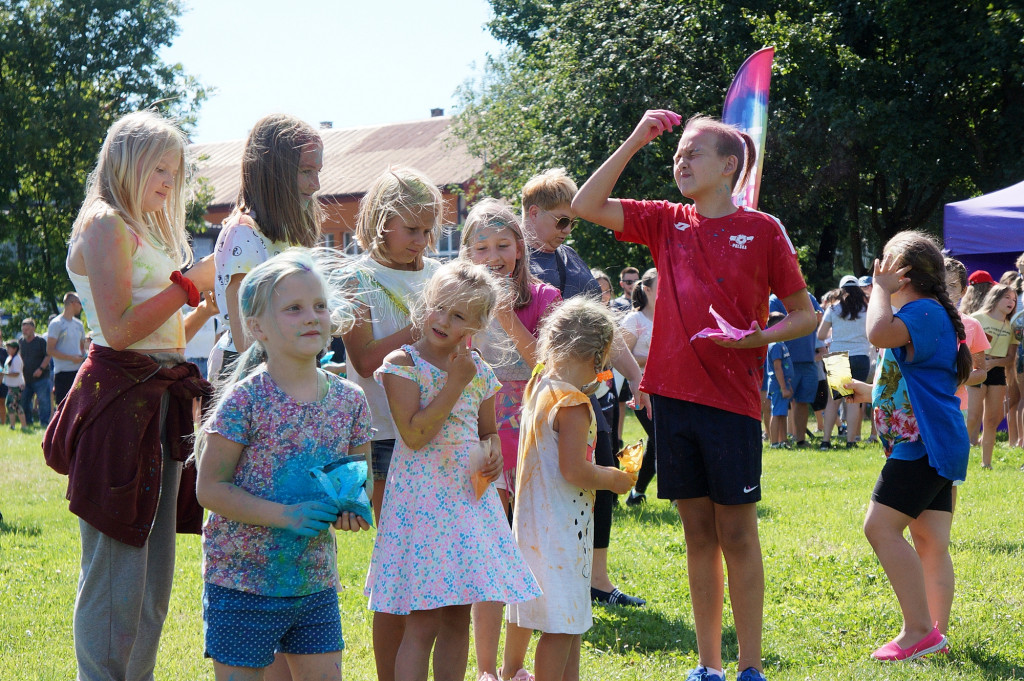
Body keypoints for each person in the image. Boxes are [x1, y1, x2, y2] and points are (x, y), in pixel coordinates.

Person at [571, 109, 816, 681]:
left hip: (731, 405)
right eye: (678, 153)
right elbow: (584, 205)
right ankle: (708, 665)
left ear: (729, 166)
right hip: (673, 401)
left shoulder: (764, 230)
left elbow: (806, 315)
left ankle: (750, 666)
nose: (680, 160)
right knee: (697, 534)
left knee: (737, 532)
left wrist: (760, 335)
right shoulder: (665, 221)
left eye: (693, 152)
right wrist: (636, 137)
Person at [42, 110, 215, 681]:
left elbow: (163, 338)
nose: (169, 181)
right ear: (125, 162)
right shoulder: (105, 224)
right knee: (118, 577)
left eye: (175, 170)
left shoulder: (141, 226)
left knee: (151, 580)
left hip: (157, 401)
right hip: (120, 403)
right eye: (158, 167)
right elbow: (117, 330)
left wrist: (200, 308)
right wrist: (193, 283)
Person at [194, 249, 371, 681]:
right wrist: (286, 515)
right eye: (293, 309)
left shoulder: (350, 401)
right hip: (241, 580)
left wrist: (352, 510)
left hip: (313, 581)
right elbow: (210, 489)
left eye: (319, 306)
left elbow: (355, 487)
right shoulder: (245, 400)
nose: (311, 317)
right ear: (257, 328)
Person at [365, 260, 542, 681]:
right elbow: (413, 434)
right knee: (423, 620)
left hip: (466, 504)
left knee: (457, 617)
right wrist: (455, 383)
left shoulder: (479, 370)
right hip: (422, 505)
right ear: (426, 304)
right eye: (439, 307)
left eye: (458, 315)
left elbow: (486, 431)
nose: (443, 320)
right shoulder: (402, 363)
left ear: (476, 326)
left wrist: (493, 452)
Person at [521, 167, 649, 609]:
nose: (568, 229)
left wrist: (635, 375)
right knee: (555, 483)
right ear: (532, 214)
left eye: (573, 220)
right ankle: (541, 583)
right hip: (543, 395)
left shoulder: (571, 257)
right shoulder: (512, 260)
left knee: (600, 472)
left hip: (595, 393)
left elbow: (603, 330)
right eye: (562, 220)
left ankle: (596, 579)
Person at [844, 231, 971, 661]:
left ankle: (919, 631)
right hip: (938, 444)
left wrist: (879, 293)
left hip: (923, 446)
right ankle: (936, 634)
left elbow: (878, 332)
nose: (878, 270)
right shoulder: (930, 314)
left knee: (879, 528)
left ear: (904, 272)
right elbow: (907, 383)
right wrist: (862, 391)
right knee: (930, 541)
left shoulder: (921, 311)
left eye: (884, 263)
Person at [339, 165, 443, 681]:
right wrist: (421, 327)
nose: (422, 242)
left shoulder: (438, 272)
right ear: (381, 221)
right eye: (412, 230)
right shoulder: (357, 280)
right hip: (384, 438)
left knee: (438, 568)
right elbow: (363, 361)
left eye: (429, 231)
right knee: (397, 567)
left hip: (440, 434)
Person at [505, 297, 637, 681]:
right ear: (598, 357)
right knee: (563, 624)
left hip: (530, 524)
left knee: (548, 612)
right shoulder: (574, 402)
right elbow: (574, 470)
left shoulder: (539, 384)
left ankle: (511, 671)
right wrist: (614, 478)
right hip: (562, 529)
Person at [459, 198, 561, 681]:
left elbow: (546, 363)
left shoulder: (546, 298)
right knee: (487, 548)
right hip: (480, 437)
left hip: (532, 438)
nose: (493, 255)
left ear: (520, 248)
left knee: (528, 548)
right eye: (481, 247)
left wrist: (502, 315)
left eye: (503, 244)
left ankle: (515, 664)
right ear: (467, 254)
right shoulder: (455, 301)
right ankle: (485, 670)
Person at [213, 113, 324, 377]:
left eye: (318, 172)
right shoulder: (244, 234)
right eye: (306, 171)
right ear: (274, 172)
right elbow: (245, 339)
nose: (316, 185)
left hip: (289, 367)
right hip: (252, 375)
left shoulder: (288, 235)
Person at [817, 276, 871, 449]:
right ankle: (851, 441)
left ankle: (826, 441)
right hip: (861, 356)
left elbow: (820, 335)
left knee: (834, 400)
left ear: (841, 290)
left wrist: (837, 331)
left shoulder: (833, 308)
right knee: (855, 399)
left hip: (838, 355)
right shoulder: (867, 309)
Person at [967, 283, 1018, 468]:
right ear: (995, 298)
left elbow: (1010, 358)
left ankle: (986, 464)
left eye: (1014, 299)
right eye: (1007, 297)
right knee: (972, 416)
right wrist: (981, 363)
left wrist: (992, 363)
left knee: (992, 419)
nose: (1011, 302)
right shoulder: (977, 318)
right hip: (976, 367)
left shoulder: (1011, 326)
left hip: (996, 372)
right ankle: (958, 457)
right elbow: (966, 346)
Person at [620, 268, 658, 504]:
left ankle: (636, 491)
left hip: (670, 389)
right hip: (641, 388)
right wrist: (657, 356)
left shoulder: (671, 316)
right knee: (659, 437)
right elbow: (618, 356)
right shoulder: (634, 320)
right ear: (646, 289)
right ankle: (675, 496)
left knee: (659, 439)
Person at [768, 291, 823, 447]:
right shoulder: (775, 300)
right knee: (781, 404)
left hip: (807, 358)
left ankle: (800, 440)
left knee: (803, 401)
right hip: (786, 360)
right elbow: (772, 323)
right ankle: (780, 440)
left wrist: (816, 318)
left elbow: (819, 316)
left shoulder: (808, 296)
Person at [47, 292, 88, 405]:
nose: (81, 306)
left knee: (78, 406)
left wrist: (83, 356)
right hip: (63, 373)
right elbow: (50, 350)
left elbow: (82, 347)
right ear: (72, 303)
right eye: (80, 303)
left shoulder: (79, 324)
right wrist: (71, 358)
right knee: (63, 408)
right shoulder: (56, 323)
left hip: (78, 372)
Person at [765, 312, 793, 449]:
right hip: (778, 385)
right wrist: (783, 387)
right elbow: (777, 368)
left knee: (782, 413)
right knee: (776, 413)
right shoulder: (775, 345)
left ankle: (783, 440)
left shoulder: (780, 344)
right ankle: (774, 442)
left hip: (783, 384)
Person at [18, 318, 50, 427]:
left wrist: (41, 369)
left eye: (27, 329)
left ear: (33, 329)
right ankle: (28, 422)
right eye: (23, 329)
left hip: (41, 378)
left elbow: (48, 355)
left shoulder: (40, 341)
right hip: (26, 378)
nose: (25, 331)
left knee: (43, 401)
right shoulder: (21, 341)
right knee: (24, 401)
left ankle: (44, 423)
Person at [3, 339, 28, 431]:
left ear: (15, 348)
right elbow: (7, 369)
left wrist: (4, 374)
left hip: (17, 386)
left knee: (10, 404)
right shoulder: (9, 357)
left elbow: (16, 373)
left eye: (9, 348)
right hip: (11, 385)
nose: (7, 349)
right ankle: (21, 426)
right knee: (16, 405)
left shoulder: (17, 359)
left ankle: (14, 426)